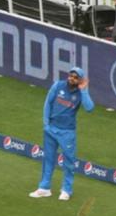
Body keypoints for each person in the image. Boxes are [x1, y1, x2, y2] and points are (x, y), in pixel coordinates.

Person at [29, 67, 94, 201]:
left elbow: (89, 108)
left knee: (69, 162)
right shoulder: (58, 86)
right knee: (48, 159)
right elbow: (48, 103)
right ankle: (44, 188)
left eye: (75, 77)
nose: (72, 78)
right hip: (51, 129)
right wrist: (46, 124)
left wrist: (84, 90)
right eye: (71, 75)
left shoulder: (80, 93)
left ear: (80, 80)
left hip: (67, 132)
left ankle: (66, 190)